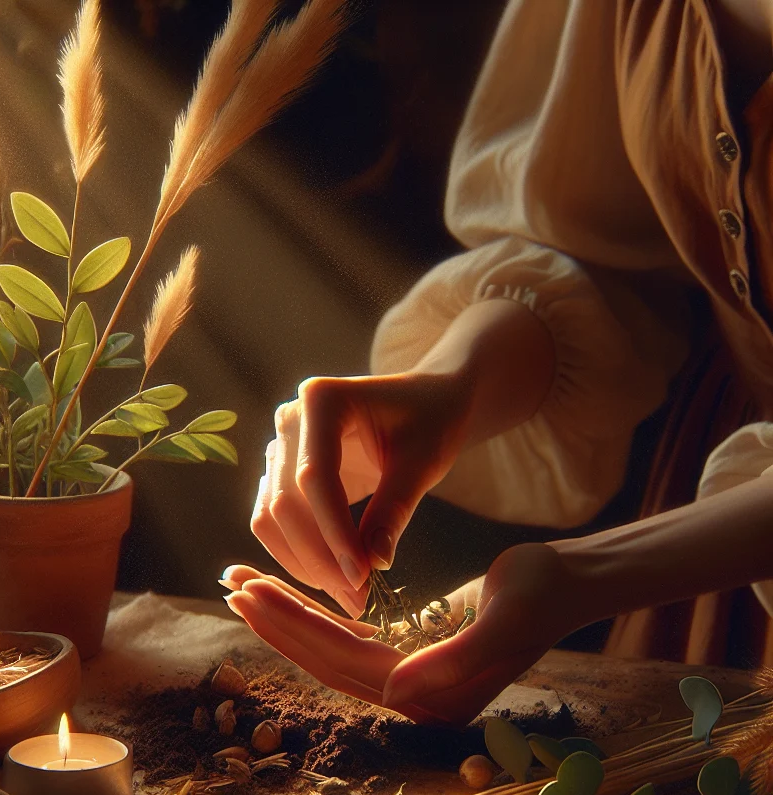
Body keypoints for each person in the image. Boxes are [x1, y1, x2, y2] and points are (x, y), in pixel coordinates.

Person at [222, 0, 773, 726]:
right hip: (706, 572)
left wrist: (585, 575)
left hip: (707, 560)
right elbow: (601, 255)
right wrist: (453, 381)